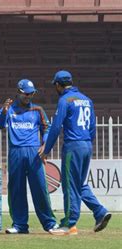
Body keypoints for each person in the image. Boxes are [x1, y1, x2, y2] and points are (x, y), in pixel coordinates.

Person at [40, 70, 112, 235]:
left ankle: (68, 223)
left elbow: (56, 126)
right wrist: (86, 143)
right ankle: (100, 212)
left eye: (55, 85)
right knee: (79, 184)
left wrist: (46, 149)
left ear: (58, 85)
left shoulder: (65, 100)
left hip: (73, 146)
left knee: (70, 185)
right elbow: (93, 128)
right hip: (87, 144)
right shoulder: (87, 100)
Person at [0, 79, 58, 234]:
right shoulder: (9, 109)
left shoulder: (37, 110)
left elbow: (47, 128)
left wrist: (44, 144)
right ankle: (20, 225)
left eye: (31, 93)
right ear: (19, 92)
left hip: (34, 153)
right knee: (16, 189)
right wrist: (3, 111)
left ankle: (49, 223)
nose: (29, 96)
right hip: (16, 152)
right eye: (26, 93)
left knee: (40, 189)